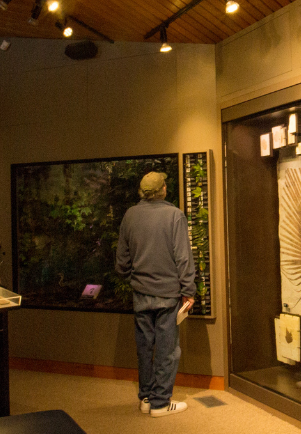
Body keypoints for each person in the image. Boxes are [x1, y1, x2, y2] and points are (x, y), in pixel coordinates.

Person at [115, 171, 195, 417]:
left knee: (144, 347)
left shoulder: (130, 215)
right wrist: (188, 290)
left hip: (140, 294)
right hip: (167, 294)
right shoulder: (174, 215)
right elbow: (183, 257)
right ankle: (161, 403)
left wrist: (133, 277)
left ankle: (147, 398)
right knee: (167, 350)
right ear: (163, 189)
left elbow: (121, 261)